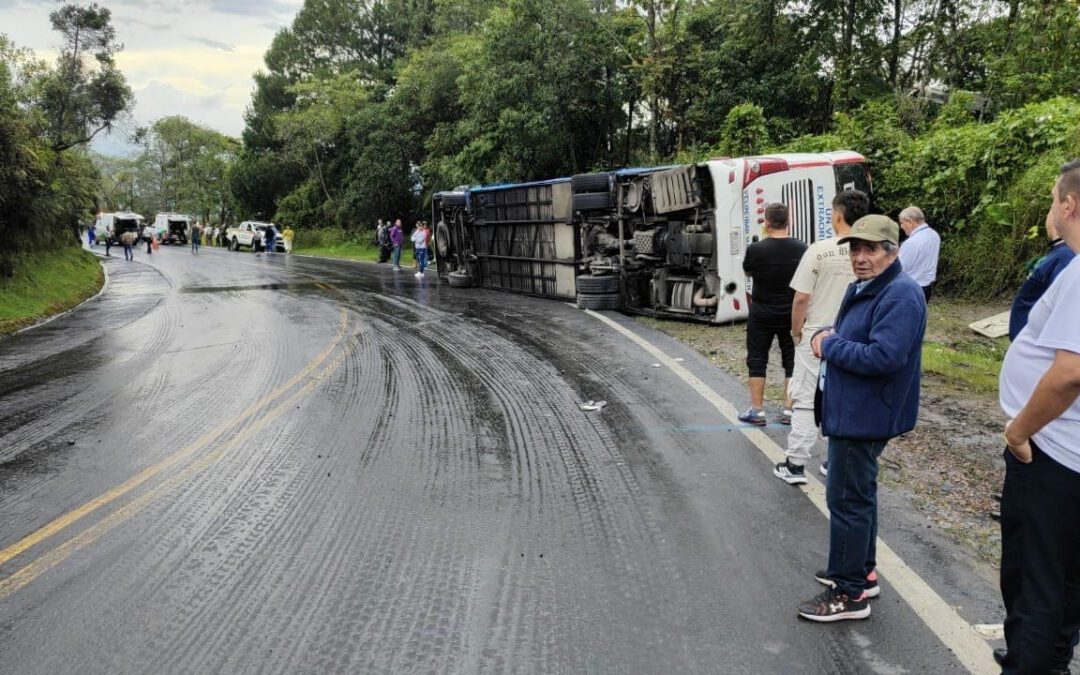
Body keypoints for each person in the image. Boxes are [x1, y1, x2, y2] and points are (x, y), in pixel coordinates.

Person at [797, 214, 927, 622]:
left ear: (893, 252)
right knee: (858, 494)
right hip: (855, 407)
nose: (860, 257)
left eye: (870, 249)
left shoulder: (900, 295)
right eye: (855, 248)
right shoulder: (869, 286)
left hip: (865, 413)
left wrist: (829, 345)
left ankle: (849, 592)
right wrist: (832, 337)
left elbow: (884, 356)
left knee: (846, 500)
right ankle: (862, 572)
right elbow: (857, 336)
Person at [996, 159, 1080, 674]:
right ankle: (1050, 661)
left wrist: (1019, 430)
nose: (1050, 209)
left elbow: (1070, 373)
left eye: (1052, 200)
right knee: (1066, 579)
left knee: (1034, 582)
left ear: (1068, 205)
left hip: (1052, 453)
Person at [774, 189, 869, 484]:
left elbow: (801, 298)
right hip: (856, 337)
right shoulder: (872, 252)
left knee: (806, 398)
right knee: (845, 398)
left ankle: (796, 464)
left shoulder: (819, 250)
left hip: (817, 336)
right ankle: (836, 462)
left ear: (837, 215)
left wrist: (796, 331)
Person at [737, 203, 807, 427]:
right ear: (789, 222)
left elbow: (748, 271)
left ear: (766, 223)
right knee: (791, 360)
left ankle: (757, 411)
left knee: (757, 359)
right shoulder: (802, 248)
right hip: (791, 313)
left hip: (761, 313)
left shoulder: (756, 249)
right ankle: (789, 410)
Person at [1009, 210, 1075, 341]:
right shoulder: (1060, 252)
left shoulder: (1065, 255)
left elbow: (1061, 305)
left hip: (1038, 344)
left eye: (1051, 210)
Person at [897, 206, 940, 303]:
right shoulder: (934, 235)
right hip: (926, 287)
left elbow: (900, 268)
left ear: (910, 222)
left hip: (910, 288)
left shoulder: (911, 242)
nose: (901, 226)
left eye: (902, 223)